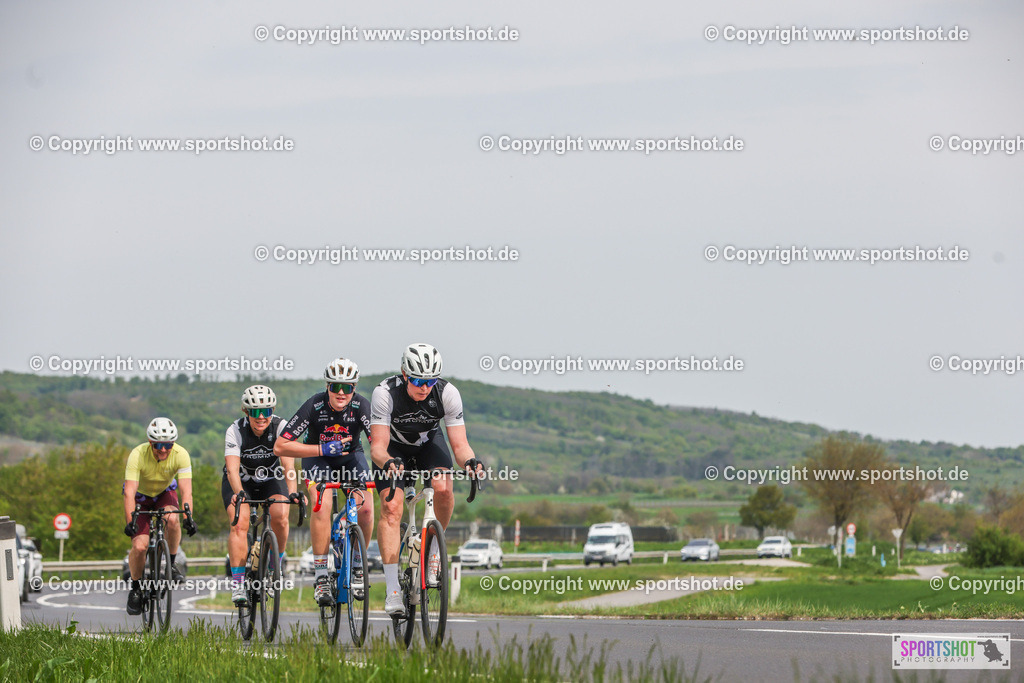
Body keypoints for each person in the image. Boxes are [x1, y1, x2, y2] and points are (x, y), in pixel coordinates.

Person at [370, 343, 483, 616]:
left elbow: (460, 445)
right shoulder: (385, 393)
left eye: (430, 381)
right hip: (393, 449)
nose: (424, 387)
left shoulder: (447, 393)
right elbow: (377, 447)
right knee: (392, 507)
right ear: (404, 374)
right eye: (418, 381)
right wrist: (388, 463)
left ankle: (433, 552)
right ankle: (392, 589)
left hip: (428, 443)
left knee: (443, 487)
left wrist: (470, 461)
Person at [275, 358, 374, 606]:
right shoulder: (315, 405)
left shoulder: (361, 406)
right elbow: (280, 446)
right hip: (318, 459)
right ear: (327, 386)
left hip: (352, 458)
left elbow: (378, 441)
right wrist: (320, 448)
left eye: (348, 387)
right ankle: (320, 577)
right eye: (335, 386)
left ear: (354, 388)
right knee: (323, 504)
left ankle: (358, 565)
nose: (341, 393)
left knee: (368, 506)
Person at [223, 385, 300, 606]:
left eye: (265, 411)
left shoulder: (280, 427)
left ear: (272, 410)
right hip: (240, 479)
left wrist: (293, 490)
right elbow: (231, 469)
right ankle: (238, 585)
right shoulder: (235, 430)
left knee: (281, 516)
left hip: (270, 479)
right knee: (240, 523)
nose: (260, 417)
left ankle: (276, 566)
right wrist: (239, 494)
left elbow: (289, 466)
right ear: (246, 412)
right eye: (254, 412)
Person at [123, 417, 197, 615]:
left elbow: (185, 490)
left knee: (173, 519)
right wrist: (130, 522)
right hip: (141, 497)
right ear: (150, 443)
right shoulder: (137, 454)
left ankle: (170, 565)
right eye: (158, 445)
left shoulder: (181, 454)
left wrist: (188, 515)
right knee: (139, 546)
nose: (163, 450)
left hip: (164, 493)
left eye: (168, 445)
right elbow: (129, 491)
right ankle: (136, 587)